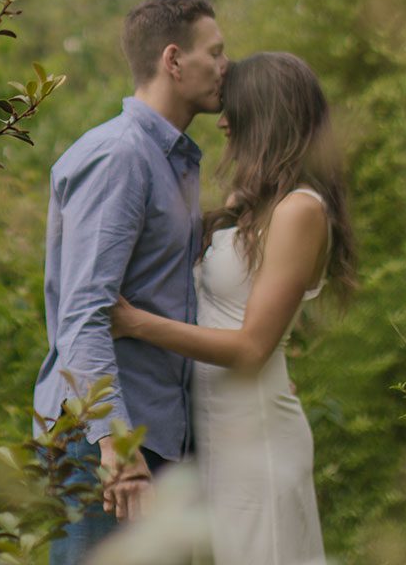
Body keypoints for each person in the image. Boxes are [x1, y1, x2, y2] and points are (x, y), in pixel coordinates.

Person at [110, 51, 356, 565]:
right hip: (212, 431)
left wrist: (135, 323)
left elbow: (249, 349)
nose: (222, 120)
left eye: (232, 108)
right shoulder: (255, 204)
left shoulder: (300, 211)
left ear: (265, 114)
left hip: (255, 439)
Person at [32, 0, 228, 564]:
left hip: (154, 440)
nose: (224, 68)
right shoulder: (120, 157)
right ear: (173, 60)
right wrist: (117, 444)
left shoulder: (173, 162)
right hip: (105, 448)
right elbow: (85, 316)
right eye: (214, 53)